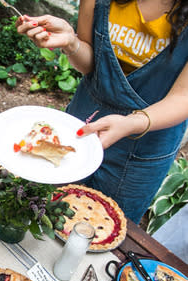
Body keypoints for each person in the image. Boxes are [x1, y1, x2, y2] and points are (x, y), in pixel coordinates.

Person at [16, 0, 188, 224]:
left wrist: (131, 123)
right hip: (85, 121)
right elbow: (91, 64)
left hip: (146, 143)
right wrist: (71, 42)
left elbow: (182, 98)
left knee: (102, 228)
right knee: (44, 210)